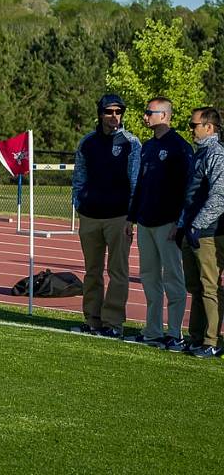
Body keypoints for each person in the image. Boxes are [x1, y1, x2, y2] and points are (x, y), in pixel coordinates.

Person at [70, 94, 140, 337]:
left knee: (118, 272)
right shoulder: (87, 142)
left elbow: (135, 181)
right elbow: (79, 176)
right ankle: (92, 319)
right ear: (100, 113)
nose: (114, 116)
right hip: (90, 216)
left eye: (118, 112)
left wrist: (131, 216)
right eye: (109, 112)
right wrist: (79, 204)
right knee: (92, 271)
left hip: (119, 217)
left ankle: (113, 323)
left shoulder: (132, 143)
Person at [125, 97, 192, 350]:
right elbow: (140, 185)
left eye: (149, 112)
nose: (145, 117)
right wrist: (132, 218)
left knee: (173, 278)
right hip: (145, 221)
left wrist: (180, 222)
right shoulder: (148, 147)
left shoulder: (179, 147)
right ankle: (153, 330)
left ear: (163, 116)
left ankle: (175, 333)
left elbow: (188, 188)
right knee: (149, 277)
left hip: (168, 224)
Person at [177, 107, 224, 358]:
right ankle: (196, 337)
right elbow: (191, 195)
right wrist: (184, 225)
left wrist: (196, 224)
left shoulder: (217, 154)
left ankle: (212, 340)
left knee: (209, 287)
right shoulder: (200, 153)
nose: (191, 130)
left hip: (209, 232)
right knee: (195, 287)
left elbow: (219, 196)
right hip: (192, 229)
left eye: (193, 125)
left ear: (209, 127)